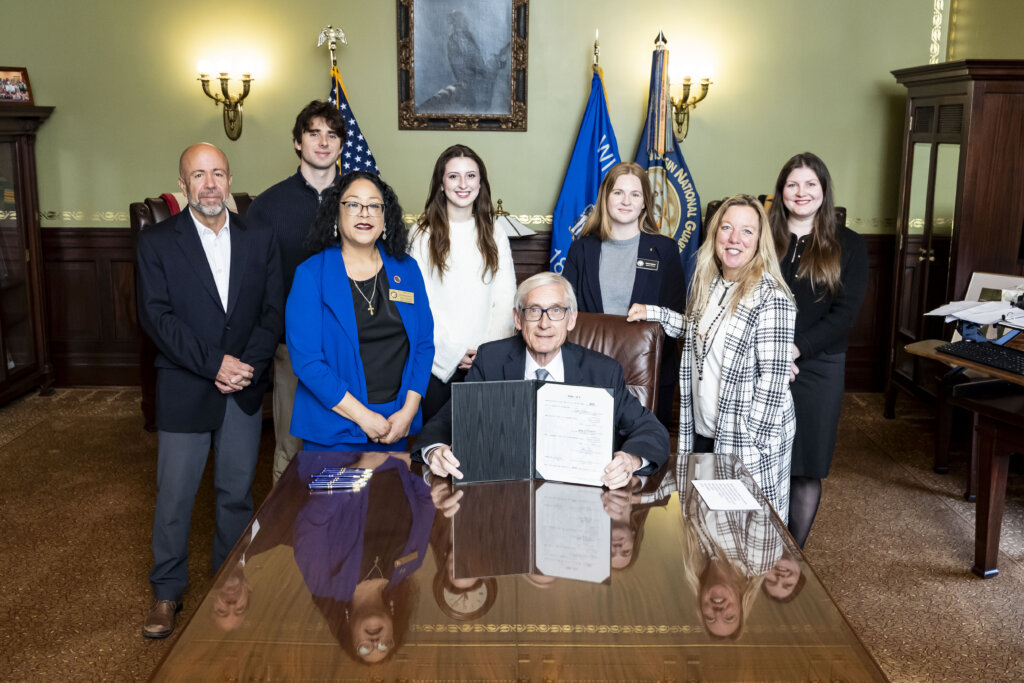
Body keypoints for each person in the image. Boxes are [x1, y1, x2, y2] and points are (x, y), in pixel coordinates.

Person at [136, 142, 283, 638]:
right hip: (185, 386)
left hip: (242, 385)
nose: (210, 184)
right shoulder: (157, 243)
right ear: (183, 185)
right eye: (198, 175)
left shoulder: (258, 236)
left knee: (236, 494)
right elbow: (157, 318)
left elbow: (272, 311)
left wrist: (246, 366)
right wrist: (213, 364)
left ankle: (230, 580)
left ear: (229, 177)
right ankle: (166, 593)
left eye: (218, 173)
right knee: (175, 497)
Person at [416, 272, 669, 489]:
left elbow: (652, 431)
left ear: (571, 319)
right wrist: (435, 452)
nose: (544, 324)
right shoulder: (490, 361)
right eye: (534, 311)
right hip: (504, 500)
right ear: (518, 319)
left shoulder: (602, 371)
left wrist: (631, 460)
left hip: (579, 501)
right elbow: (445, 423)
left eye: (556, 311)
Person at [628, 195, 796, 518]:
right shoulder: (714, 285)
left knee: (747, 538)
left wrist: (750, 444)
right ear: (715, 234)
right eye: (727, 227)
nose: (734, 238)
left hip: (745, 444)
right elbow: (695, 331)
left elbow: (774, 383)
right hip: (706, 433)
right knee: (706, 529)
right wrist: (654, 312)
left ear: (760, 241)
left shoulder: (771, 297)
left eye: (747, 231)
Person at [286, 171, 433, 451]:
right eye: (353, 204)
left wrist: (409, 412)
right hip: (335, 428)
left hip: (395, 424)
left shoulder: (407, 269)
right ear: (335, 213)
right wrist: (364, 417)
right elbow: (307, 362)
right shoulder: (310, 275)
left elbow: (424, 345)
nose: (364, 213)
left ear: (385, 216)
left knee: (390, 497)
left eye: (374, 205)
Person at [769, 153, 868, 548]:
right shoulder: (762, 236)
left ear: (824, 191)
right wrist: (773, 353)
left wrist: (796, 351)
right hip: (764, 362)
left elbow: (844, 316)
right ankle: (752, 549)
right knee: (757, 461)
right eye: (793, 184)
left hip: (819, 368)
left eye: (810, 184)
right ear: (781, 192)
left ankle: (791, 558)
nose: (801, 192)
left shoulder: (849, 245)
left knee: (805, 468)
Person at [247, 100, 346, 484]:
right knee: (291, 446)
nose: (323, 142)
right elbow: (253, 279)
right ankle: (284, 540)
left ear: (340, 145)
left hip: (348, 344)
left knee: (344, 445)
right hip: (291, 346)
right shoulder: (268, 206)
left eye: (332, 134)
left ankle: (340, 535)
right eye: (313, 133)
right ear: (297, 142)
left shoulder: (360, 199)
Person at [563, 162, 686, 428]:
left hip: (649, 377)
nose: (626, 201)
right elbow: (566, 315)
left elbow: (678, 320)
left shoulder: (665, 250)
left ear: (645, 203)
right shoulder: (581, 250)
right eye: (618, 193)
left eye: (635, 194)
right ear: (605, 198)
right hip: (590, 373)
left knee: (645, 458)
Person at [408, 144, 516, 424]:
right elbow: (420, 302)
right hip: (437, 361)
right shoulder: (421, 234)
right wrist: (453, 352)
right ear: (441, 184)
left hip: (485, 361)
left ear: (481, 183)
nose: (463, 184)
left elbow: (505, 299)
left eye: (471, 175)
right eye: (453, 176)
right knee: (437, 448)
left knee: (484, 445)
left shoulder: (495, 232)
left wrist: (486, 353)